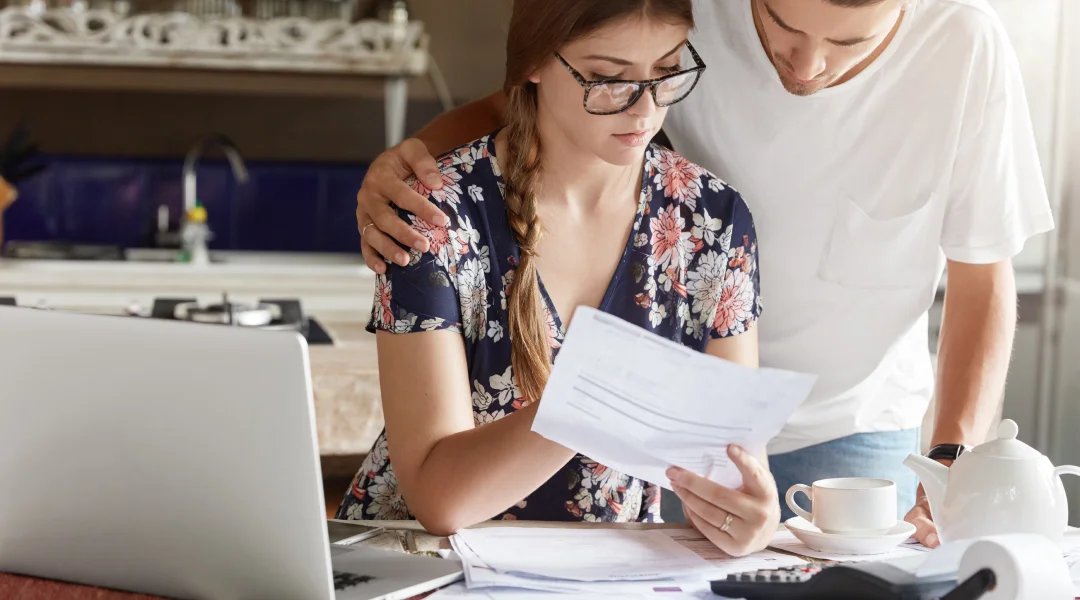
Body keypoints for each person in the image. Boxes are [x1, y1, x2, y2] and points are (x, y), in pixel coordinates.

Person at [353, 0, 1053, 548]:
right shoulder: (442, 217)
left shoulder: (711, 220)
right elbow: (539, 89)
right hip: (453, 535)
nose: (808, 66)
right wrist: (412, 156)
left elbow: (982, 281)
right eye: (783, 25)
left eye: (848, 44)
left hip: (842, 420)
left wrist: (951, 457)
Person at [337, 0, 780, 556]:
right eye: (608, 78)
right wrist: (600, 397)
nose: (644, 110)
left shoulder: (712, 219)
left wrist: (749, 517)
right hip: (416, 567)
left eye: (666, 72)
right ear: (535, 63)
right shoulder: (435, 217)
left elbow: (733, 467)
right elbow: (438, 499)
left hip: (605, 574)